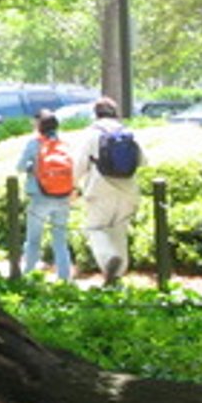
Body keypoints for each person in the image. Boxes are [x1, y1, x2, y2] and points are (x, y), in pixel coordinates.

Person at [73, 96, 144, 286]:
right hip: (128, 190)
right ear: (115, 113)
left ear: (96, 114)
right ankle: (118, 274)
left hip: (99, 190)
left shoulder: (90, 134)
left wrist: (72, 187)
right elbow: (143, 160)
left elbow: (78, 165)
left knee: (96, 229)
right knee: (119, 231)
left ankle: (109, 260)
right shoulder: (128, 132)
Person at [16, 109, 73, 281]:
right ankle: (64, 279)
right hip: (63, 196)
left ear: (39, 125)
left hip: (40, 196)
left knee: (33, 239)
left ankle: (29, 276)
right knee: (60, 240)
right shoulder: (65, 143)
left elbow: (19, 166)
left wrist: (30, 168)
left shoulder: (34, 143)